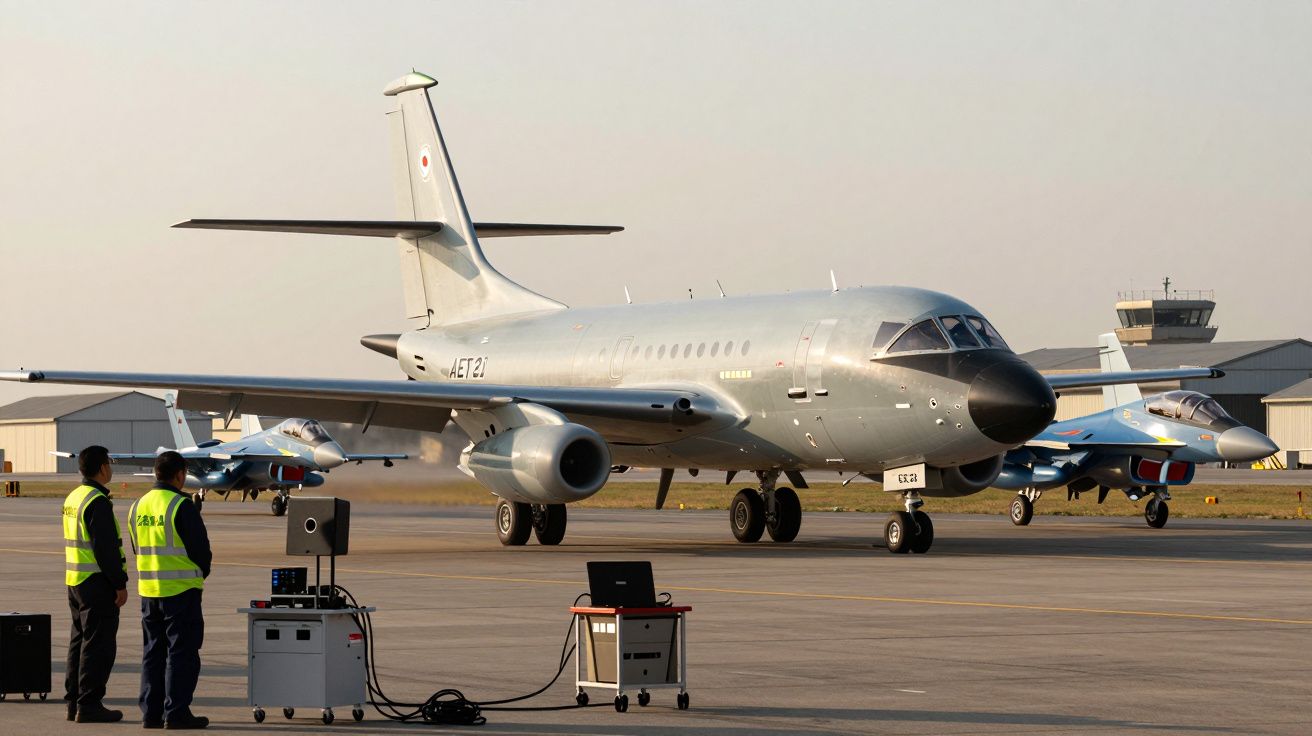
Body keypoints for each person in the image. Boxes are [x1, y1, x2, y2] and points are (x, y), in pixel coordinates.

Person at [127, 451, 211, 730]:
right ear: (180, 475)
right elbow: (201, 550)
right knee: (181, 653)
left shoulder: (137, 506)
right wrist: (201, 572)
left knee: (153, 652)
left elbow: (137, 547)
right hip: (181, 590)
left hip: (149, 590)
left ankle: (151, 713)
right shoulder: (181, 505)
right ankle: (176, 712)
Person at [62, 445, 128, 723]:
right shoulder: (96, 501)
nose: (111, 469)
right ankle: (89, 704)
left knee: (79, 642)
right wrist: (119, 584)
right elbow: (106, 549)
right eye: (109, 464)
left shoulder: (74, 496)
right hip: (96, 582)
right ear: (102, 468)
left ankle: (74, 703)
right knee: (98, 645)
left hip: (75, 580)